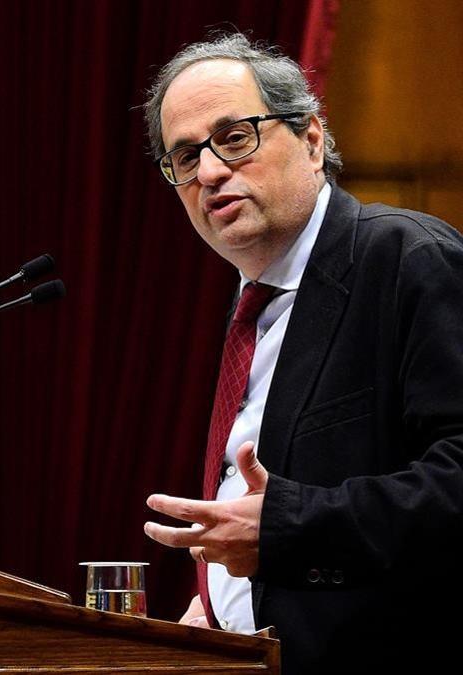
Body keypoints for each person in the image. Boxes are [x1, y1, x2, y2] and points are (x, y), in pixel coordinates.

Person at [139, 33, 463, 673]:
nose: (207, 173)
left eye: (236, 138)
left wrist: (289, 530)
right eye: (184, 155)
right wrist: (220, 608)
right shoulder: (243, 307)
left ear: (312, 140)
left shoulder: (408, 261)